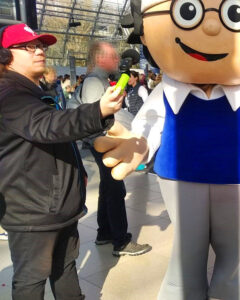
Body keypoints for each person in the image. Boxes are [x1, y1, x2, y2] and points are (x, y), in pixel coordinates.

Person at [94, 0, 240, 299]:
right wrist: (138, 144)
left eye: (234, 13)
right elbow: (149, 126)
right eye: (187, 12)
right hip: (179, 179)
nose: (212, 26)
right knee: (186, 252)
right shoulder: (165, 92)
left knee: (237, 254)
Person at [0, 23, 123, 300]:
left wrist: (77, 170)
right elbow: (46, 125)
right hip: (32, 210)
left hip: (55, 205)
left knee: (65, 268)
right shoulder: (8, 94)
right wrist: (98, 110)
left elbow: (56, 134)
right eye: (28, 46)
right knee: (32, 280)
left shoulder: (34, 90)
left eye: (41, 45)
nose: (39, 51)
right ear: (5, 55)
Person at [80, 41, 152, 256]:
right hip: (103, 142)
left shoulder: (99, 79)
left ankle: (105, 233)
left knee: (107, 188)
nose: (117, 60)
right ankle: (121, 241)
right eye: (113, 56)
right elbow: (95, 116)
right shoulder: (94, 81)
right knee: (115, 188)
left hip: (103, 141)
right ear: (101, 58)